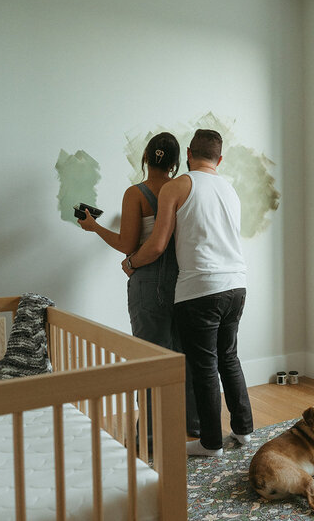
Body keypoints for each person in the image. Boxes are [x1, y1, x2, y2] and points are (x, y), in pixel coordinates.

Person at [122, 129, 253, 457]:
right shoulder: (230, 190)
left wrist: (132, 261)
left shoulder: (177, 185)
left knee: (205, 365)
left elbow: (158, 243)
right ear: (219, 159)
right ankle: (243, 429)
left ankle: (210, 443)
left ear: (190, 154)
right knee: (229, 357)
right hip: (237, 284)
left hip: (201, 288)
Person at [78, 131, 200, 441]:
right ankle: (193, 424)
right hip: (185, 280)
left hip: (148, 281)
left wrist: (94, 227)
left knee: (149, 357)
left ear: (145, 157)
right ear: (175, 162)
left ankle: (148, 432)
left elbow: (127, 244)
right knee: (184, 354)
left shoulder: (136, 194)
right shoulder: (185, 190)